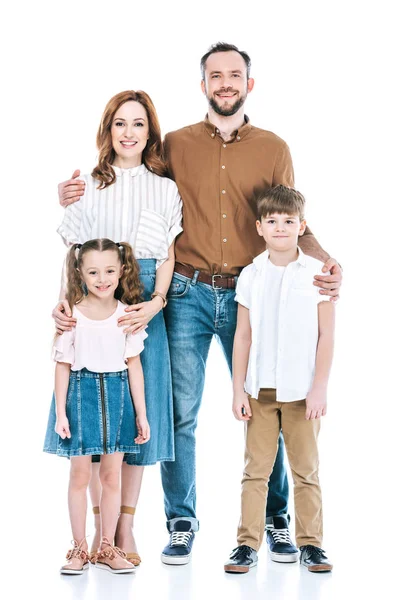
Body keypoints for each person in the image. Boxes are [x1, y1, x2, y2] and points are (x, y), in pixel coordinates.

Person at [57, 43, 342, 566]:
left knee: (267, 403)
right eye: (216, 75)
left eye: (235, 75)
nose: (226, 83)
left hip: (251, 293)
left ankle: (275, 520)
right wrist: (73, 198)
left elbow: (291, 216)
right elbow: (127, 186)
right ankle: (180, 520)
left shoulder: (274, 146)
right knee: (181, 413)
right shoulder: (176, 145)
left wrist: (325, 259)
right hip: (184, 293)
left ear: (249, 84)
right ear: (204, 84)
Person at [51, 90, 182, 565]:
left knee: (137, 416)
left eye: (139, 124)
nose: (129, 132)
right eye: (120, 123)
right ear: (108, 131)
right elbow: (74, 254)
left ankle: (123, 527)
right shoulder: (87, 184)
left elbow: (166, 254)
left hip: (142, 300)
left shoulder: (164, 188)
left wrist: (155, 302)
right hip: (94, 294)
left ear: (151, 132)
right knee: (94, 414)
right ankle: (96, 534)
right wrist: (63, 303)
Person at [224, 185, 334, 574]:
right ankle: (246, 544)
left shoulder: (318, 274)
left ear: (302, 226)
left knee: (306, 471)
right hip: (261, 392)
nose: (281, 228)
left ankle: (311, 544)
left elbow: (326, 336)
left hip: (304, 393)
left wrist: (319, 387)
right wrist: (238, 389)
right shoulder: (251, 275)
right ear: (260, 227)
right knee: (256, 470)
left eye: (289, 221)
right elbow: (243, 335)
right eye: (272, 221)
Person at [44, 238, 149, 574]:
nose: (102, 279)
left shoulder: (125, 315)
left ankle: (107, 546)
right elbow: (62, 366)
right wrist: (61, 412)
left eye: (109, 271)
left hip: (118, 398)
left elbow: (134, 366)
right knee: (79, 474)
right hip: (80, 394)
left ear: (121, 271)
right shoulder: (72, 315)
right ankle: (78, 548)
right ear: (80, 273)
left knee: (111, 475)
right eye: (93, 272)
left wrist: (141, 414)